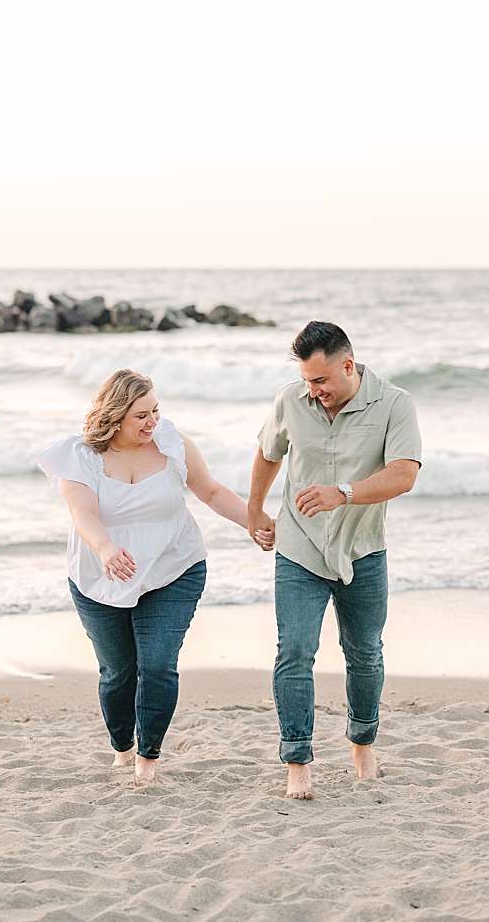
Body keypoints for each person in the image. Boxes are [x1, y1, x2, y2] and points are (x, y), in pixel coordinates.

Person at [39, 369, 257, 786]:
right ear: (116, 416)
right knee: (118, 672)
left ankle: (147, 757)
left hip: (175, 567)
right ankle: (122, 745)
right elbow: (83, 514)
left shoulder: (173, 443)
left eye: (156, 410)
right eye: (141, 415)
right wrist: (105, 548)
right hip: (100, 575)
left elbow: (210, 491)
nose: (152, 421)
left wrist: (258, 523)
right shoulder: (81, 456)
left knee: (157, 665)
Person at [247, 320, 422, 800]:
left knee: (364, 653)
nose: (313, 390)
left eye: (321, 381)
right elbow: (267, 453)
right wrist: (255, 511)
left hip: (363, 550)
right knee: (295, 652)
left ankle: (362, 743)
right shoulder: (291, 399)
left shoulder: (394, 404)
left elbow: (404, 474)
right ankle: (297, 760)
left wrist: (343, 493)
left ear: (349, 366)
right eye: (307, 380)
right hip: (299, 549)